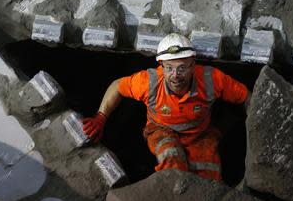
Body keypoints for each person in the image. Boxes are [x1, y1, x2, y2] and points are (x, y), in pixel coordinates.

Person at [82, 33, 250, 181]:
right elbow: (117, 86)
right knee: (172, 158)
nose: (175, 75)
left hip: (199, 134)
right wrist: (101, 116)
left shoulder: (210, 79)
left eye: (182, 68)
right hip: (160, 129)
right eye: (169, 68)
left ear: (193, 65)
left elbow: (245, 97)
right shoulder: (149, 82)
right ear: (161, 65)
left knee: (209, 177)